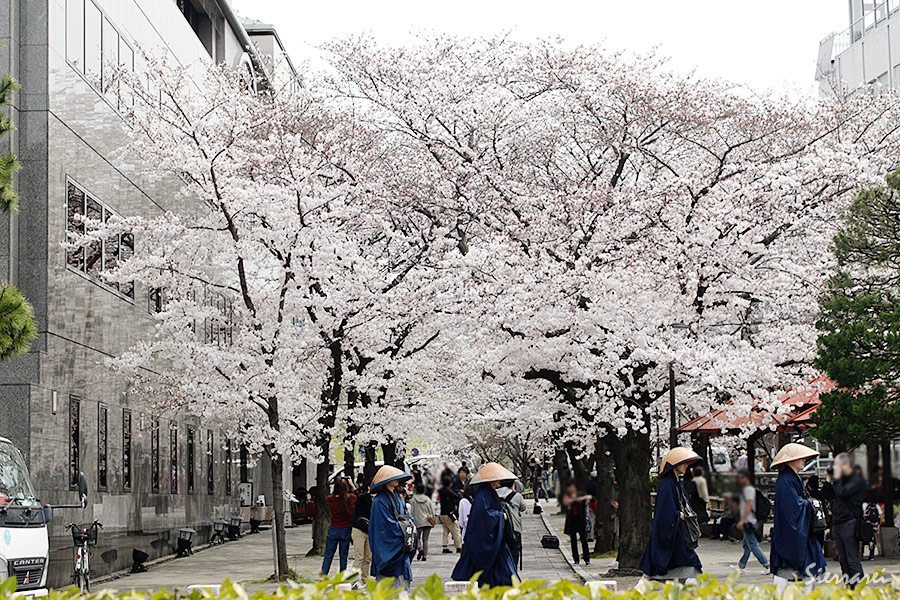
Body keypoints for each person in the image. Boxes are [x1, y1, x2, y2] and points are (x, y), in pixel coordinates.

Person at [769, 443, 826, 594]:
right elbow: (793, 507)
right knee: (788, 570)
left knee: (804, 571)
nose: (804, 460)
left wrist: (808, 503)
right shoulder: (786, 480)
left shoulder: (790, 478)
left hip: (799, 532)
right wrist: (810, 503)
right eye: (801, 458)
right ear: (790, 460)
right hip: (791, 533)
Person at [639, 447, 703, 581]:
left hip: (675, 530)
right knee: (687, 559)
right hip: (672, 530)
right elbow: (664, 509)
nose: (686, 466)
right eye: (683, 463)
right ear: (675, 464)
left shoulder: (675, 482)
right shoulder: (667, 483)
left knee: (681, 560)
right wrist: (678, 515)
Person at [451, 463, 519, 587]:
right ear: (491, 480)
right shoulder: (483, 495)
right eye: (497, 479)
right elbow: (484, 516)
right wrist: (500, 516)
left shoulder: (487, 493)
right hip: (485, 539)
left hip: (494, 540)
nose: (499, 481)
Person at [822, 452, 867, 588]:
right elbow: (827, 496)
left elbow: (843, 492)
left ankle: (859, 589)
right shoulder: (839, 481)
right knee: (843, 559)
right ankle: (849, 588)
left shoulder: (856, 480)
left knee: (852, 558)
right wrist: (828, 480)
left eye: (837, 465)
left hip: (850, 522)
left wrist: (836, 478)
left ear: (846, 465)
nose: (835, 468)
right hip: (838, 522)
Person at [368, 465, 415, 591]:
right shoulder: (379, 501)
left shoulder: (398, 497)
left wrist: (409, 524)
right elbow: (385, 527)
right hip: (389, 549)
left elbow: (407, 517)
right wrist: (405, 527)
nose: (397, 480)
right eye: (393, 478)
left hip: (401, 550)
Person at [732, 470, 770, 574]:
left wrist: (742, 520)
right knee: (747, 544)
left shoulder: (747, 490)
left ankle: (767, 564)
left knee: (752, 544)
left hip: (749, 521)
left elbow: (749, 506)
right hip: (751, 520)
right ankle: (741, 565)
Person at [321, 477, 357, 575]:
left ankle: (323, 575)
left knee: (328, 556)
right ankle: (342, 576)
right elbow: (359, 496)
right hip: (345, 529)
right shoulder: (351, 498)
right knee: (343, 556)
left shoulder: (330, 499)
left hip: (333, 528)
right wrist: (353, 485)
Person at [496, 477, 526, 569]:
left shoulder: (494, 494)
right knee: (513, 557)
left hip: (498, 529)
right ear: (512, 485)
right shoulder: (517, 496)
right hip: (513, 530)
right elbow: (523, 508)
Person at [563, 481, 592, 567]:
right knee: (573, 541)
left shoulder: (581, 495)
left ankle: (587, 559)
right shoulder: (567, 497)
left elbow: (590, 498)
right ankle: (576, 559)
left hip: (581, 521)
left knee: (584, 540)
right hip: (572, 521)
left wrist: (582, 499)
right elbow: (567, 502)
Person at [351, 481, 373, 583]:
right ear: (368, 487)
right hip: (359, 529)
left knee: (368, 557)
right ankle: (353, 581)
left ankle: (365, 578)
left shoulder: (379, 499)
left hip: (370, 531)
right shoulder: (363, 497)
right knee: (359, 556)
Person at [410, 483, 437, 561]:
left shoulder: (413, 500)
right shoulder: (427, 499)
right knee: (426, 539)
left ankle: (420, 549)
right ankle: (425, 556)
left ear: (416, 490)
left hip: (418, 521)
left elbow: (411, 512)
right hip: (427, 521)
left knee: (417, 537)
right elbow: (432, 511)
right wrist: (433, 519)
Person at [438, 476, 463, 553]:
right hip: (449, 514)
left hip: (443, 514)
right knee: (456, 530)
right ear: (449, 484)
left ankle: (445, 546)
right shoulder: (448, 492)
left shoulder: (441, 491)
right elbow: (456, 496)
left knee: (446, 531)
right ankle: (459, 547)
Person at [861, 489, 881, 561]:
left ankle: (861, 553)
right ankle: (871, 555)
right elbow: (880, 515)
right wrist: (878, 525)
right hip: (874, 525)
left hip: (865, 525)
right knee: (872, 539)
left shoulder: (864, 505)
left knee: (863, 539)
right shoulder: (876, 506)